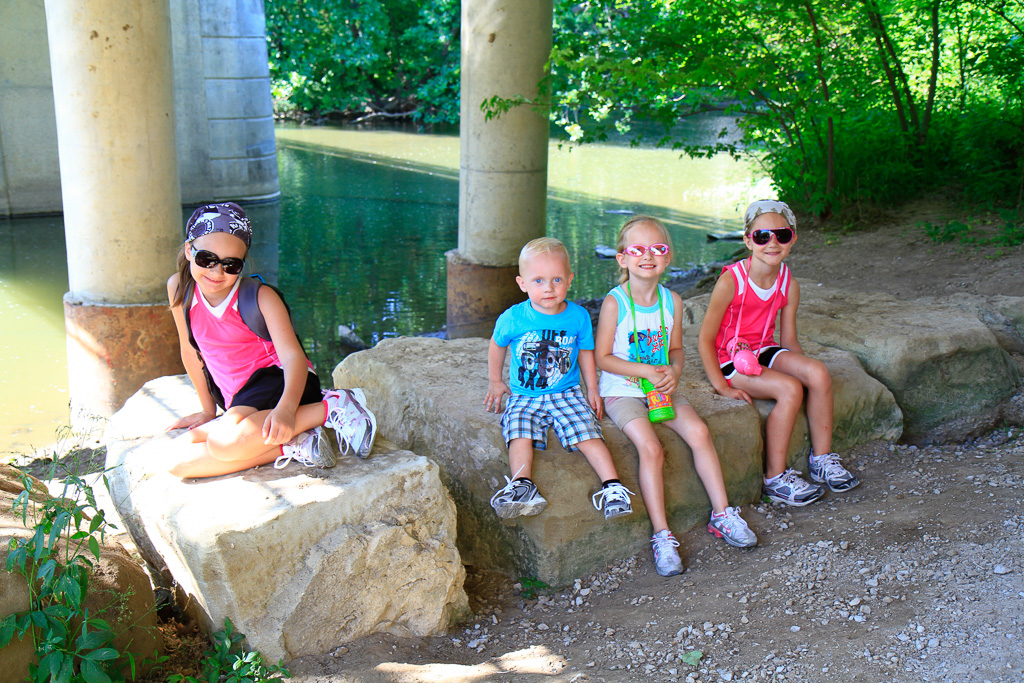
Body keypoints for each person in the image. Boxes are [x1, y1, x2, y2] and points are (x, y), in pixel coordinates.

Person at [595, 216, 757, 577]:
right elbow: (603, 357)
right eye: (637, 249)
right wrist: (644, 372)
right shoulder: (614, 303)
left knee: (699, 432)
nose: (648, 256)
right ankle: (662, 535)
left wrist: (674, 373)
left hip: (663, 389)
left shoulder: (672, 301)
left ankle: (722, 515)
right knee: (651, 448)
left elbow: (678, 350)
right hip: (623, 391)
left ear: (668, 259)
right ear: (622, 258)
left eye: (658, 249)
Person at [165, 202, 375, 478]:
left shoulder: (261, 298)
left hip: (279, 383)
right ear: (190, 249)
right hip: (241, 399)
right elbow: (190, 351)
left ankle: (330, 407)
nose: (217, 273)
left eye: (231, 265)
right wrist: (207, 409)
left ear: (242, 264)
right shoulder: (180, 289)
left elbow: (293, 357)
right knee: (179, 463)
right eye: (207, 259)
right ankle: (296, 443)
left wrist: (287, 410)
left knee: (223, 444)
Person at [697, 200, 859, 507]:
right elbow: (705, 339)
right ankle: (775, 478)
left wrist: (801, 368)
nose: (772, 243)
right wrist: (721, 386)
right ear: (747, 240)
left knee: (818, 373)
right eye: (761, 236)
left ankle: (822, 460)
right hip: (732, 358)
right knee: (789, 389)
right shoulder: (731, 281)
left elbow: (789, 341)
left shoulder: (789, 284)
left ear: (792, 239)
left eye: (781, 235)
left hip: (764, 349)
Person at [484, 237, 634, 521]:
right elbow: (496, 344)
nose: (548, 288)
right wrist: (495, 380)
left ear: (569, 279)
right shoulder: (514, 317)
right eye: (538, 280)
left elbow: (586, 352)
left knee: (587, 432)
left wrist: (592, 387)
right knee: (518, 430)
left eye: (556, 279)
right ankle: (521, 485)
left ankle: (613, 487)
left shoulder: (577, 316)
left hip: (567, 393)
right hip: (525, 394)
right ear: (522, 283)